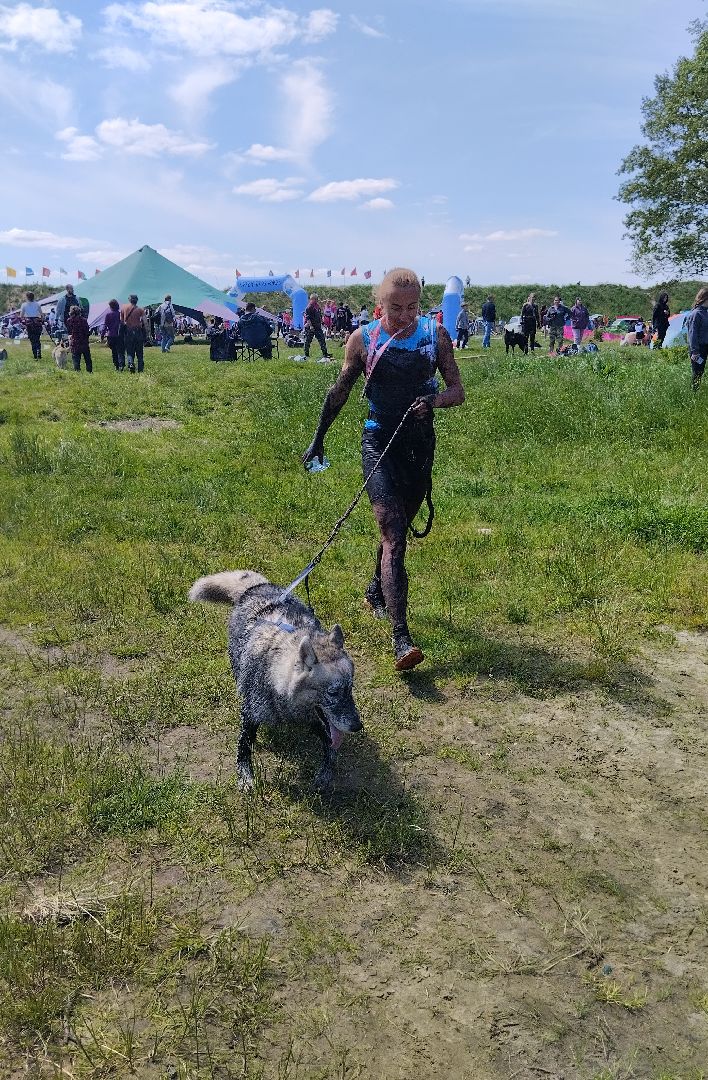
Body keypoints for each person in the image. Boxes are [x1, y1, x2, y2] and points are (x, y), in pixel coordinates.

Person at [302, 267, 465, 671]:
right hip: (378, 441)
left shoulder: (435, 337)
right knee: (394, 535)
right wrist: (318, 437)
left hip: (418, 447)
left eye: (412, 307)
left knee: (397, 526)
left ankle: (375, 589)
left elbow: (457, 391)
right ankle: (401, 638)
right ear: (380, 305)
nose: (405, 315)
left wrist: (434, 403)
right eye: (396, 308)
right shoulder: (364, 339)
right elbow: (339, 389)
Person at [686, 286, 708, 392]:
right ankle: (694, 394)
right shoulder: (696, 314)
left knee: (701, 371)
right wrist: (695, 351)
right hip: (698, 349)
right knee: (697, 373)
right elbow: (692, 334)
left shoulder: (705, 313)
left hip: (705, 346)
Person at [120, 293, 149, 372]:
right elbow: (145, 322)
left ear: (129, 300)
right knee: (139, 352)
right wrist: (147, 333)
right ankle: (140, 369)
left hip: (128, 331)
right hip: (138, 331)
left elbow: (121, 321)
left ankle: (131, 363)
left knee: (129, 350)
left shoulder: (123, 308)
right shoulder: (140, 310)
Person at [303, 295, 332, 359]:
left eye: (317, 299)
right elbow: (308, 318)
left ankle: (325, 354)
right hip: (311, 327)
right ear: (312, 299)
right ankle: (306, 354)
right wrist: (310, 326)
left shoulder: (317, 306)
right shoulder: (309, 307)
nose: (317, 300)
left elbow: (319, 316)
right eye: (316, 299)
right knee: (308, 341)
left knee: (322, 340)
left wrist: (323, 323)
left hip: (318, 327)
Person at [66, 304, 92, 372]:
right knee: (87, 358)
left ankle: (77, 370)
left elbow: (69, 331)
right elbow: (87, 331)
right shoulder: (84, 320)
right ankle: (89, 371)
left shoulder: (69, 320)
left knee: (75, 358)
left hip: (74, 342)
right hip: (84, 342)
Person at [102, 298, 125, 370]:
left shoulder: (108, 315)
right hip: (120, 335)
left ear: (110, 306)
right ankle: (121, 364)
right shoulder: (121, 314)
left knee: (114, 351)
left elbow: (105, 326)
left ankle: (116, 365)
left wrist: (102, 335)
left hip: (111, 335)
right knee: (120, 351)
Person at [20, 291, 44, 359]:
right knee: (37, 339)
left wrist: (24, 321)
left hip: (29, 323)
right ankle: (39, 353)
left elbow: (21, 316)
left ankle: (35, 355)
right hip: (37, 323)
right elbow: (42, 315)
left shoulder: (24, 305)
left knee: (32, 340)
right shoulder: (37, 304)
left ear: (27, 297)